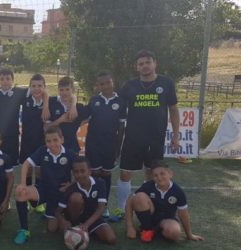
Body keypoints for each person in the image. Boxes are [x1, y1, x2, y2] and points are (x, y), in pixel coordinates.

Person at [115, 50, 180, 221]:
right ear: (137, 67)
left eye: (147, 62)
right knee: (124, 173)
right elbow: (117, 106)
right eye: (141, 63)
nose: (144, 66)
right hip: (133, 138)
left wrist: (176, 135)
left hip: (155, 138)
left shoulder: (166, 83)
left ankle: (149, 207)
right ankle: (121, 209)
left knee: (152, 175)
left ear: (154, 63)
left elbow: (173, 109)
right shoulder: (130, 85)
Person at [13, 126, 77, 245]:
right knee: (20, 192)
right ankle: (24, 230)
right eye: (48, 141)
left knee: (52, 229)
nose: (52, 144)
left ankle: (62, 215)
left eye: (55, 140)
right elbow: (26, 164)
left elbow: (82, 173)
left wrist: (71, 184)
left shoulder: (70, 154)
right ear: (45, 141)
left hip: (60, 194)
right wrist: (23, 184)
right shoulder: (42, 151)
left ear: (62, 139)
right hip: (43, 189)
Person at [125, 160, 203, 243]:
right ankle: (147, 229)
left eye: (162, 174)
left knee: (174, 233)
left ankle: (157, 231)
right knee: (139, 196)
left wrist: (189, 235)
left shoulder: (178, 191)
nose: (159, 177)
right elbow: (129, 202)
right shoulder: (148, 186)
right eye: (155, 175)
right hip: (151, 216)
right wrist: (130, 227)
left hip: (167, 219)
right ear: (152, 177)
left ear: (170, 174)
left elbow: (183, 214)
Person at [84, 71, 126, 218]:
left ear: (112, 82)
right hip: (93, 144)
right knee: (95, 174)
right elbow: (84, 118)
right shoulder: (94, 100)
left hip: (109, 145)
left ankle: (105, 206)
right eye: (102, 83)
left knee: (106, 175)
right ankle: (92, 205)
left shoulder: (120, 102)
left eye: (108, 82)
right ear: (98, 86)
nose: (105, 85)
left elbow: (121, 128)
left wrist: (118, 148)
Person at [57, 157, 116, 245]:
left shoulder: (100, 183)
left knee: (111, 239)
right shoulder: (70, 189)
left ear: (89, 171)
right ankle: (76, 227)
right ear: (73, 173)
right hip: (76, 219)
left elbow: (101, 208)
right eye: (76, 172)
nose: (79, 174)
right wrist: (63, 221)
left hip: (92, 218)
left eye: (82, 171)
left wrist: (86, 225)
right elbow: (58, 211)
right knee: (76, 198)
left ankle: (86, 231)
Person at [0, 68, 27, 166]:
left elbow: (37, 91)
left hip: (12, 136)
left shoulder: (18, 93)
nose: (5, 81)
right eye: (2, 79)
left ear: (12, 80)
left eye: (8, 79)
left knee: (12, 165)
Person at [19, 74, 48, 213]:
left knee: (39, 172)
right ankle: (27, 198)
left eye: (40, 86)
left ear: (44, 87)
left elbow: (71, 97)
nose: (37, 89)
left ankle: (38, 201)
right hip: (26, 141)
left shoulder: (49, 102)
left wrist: (46, 102)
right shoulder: (24, 99)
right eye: (34, 86)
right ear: (30, 87)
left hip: (42, 143)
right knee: (28, 170)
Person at [45, 76, 89, 153]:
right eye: (61, 90)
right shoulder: (52, 103)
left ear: (73, 90)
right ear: (58, 90)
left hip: (72, 147)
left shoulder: (79, 107)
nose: (64, 93)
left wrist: (73, 105)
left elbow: (90, 118)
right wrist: (60, 120)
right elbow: (46, 128)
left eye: (67, 89)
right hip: (54, 147)